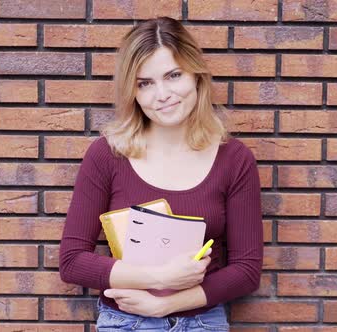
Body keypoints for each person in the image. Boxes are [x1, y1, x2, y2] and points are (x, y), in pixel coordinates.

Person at [59, 16, 263, 331]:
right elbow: (72, 261)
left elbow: (246, 270)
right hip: (125, 321)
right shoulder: (107, 155)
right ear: (133, 92)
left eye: (173, 75)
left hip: (202, 322)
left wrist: (166, 304)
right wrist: (159, 278)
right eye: (145, 83)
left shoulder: (234, 160)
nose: (162, 94)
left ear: (196, 75)